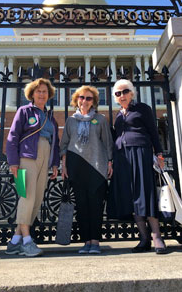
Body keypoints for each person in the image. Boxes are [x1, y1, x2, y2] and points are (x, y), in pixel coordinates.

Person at [108, 79, 167, 254]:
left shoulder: (142, 109)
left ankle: (157, 236)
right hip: (122, 158)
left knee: (145, 192)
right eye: (118, 93)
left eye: (125, 91)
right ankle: (144, 238)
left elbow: (153, 133)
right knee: (132, 196)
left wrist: (159, 153)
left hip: (141, 153)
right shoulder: (118, 115)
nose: (122, 95)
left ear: (132, 93)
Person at [5, 78, 59, 257]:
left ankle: (14, 241)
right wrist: (13, 162)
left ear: (49, 95)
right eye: (38, 91)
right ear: (32, 94)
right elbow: (13, 137)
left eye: (45, 92)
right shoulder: (23, 111)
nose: (42, 94)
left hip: (45, 156)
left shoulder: (51, 118)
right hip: (25, 158)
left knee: (37, 199)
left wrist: (55, 163)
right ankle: (27, 241)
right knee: (26, 196)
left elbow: (55, 143)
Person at [60, 85, 113, 254]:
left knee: (96, 206)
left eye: (89, 98)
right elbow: (64, 144)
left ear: (93, 102)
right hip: (76, 167)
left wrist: (110, 162)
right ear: (77, 100)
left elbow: (107, 143)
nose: (84, 101)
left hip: (97, 167)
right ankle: (86, 242)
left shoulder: (100, 119)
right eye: (82, 97)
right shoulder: (71, 121)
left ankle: (95, 242)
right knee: (81, 206)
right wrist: (64, 165)